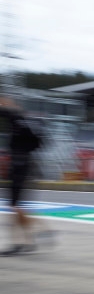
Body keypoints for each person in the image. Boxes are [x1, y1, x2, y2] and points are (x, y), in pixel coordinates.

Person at [0, 97, 47, 255]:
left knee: (15, 206)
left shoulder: (16, 119)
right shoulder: (27, 122)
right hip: (26, 165)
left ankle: (32, 234)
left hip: (18, 167)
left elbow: (5, 111)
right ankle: (29, 240)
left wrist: (5, 104)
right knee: (16, 206)